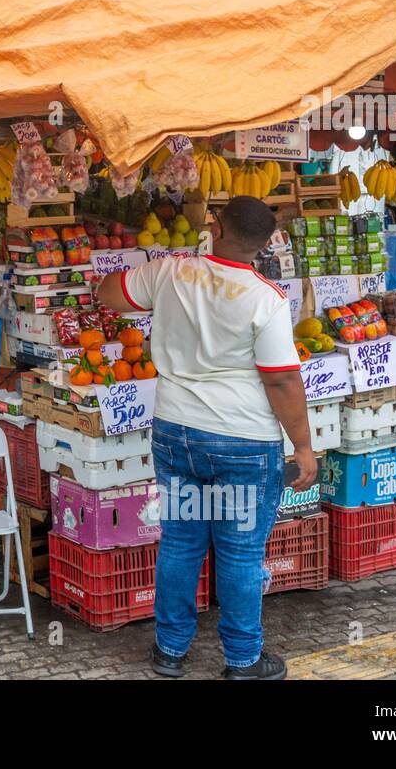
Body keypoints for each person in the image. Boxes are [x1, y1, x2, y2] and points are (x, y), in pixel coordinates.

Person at [97, 196, 317, 680]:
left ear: (215, 228)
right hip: (243, 444)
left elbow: (108, 291)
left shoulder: (171, 270)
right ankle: (242, 661)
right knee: (239, 553)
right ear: (264, 245)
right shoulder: (266, 298)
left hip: (177, 436)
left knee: (181, 543)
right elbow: (280, 379)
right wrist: (303, 447)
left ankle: (170, 652)